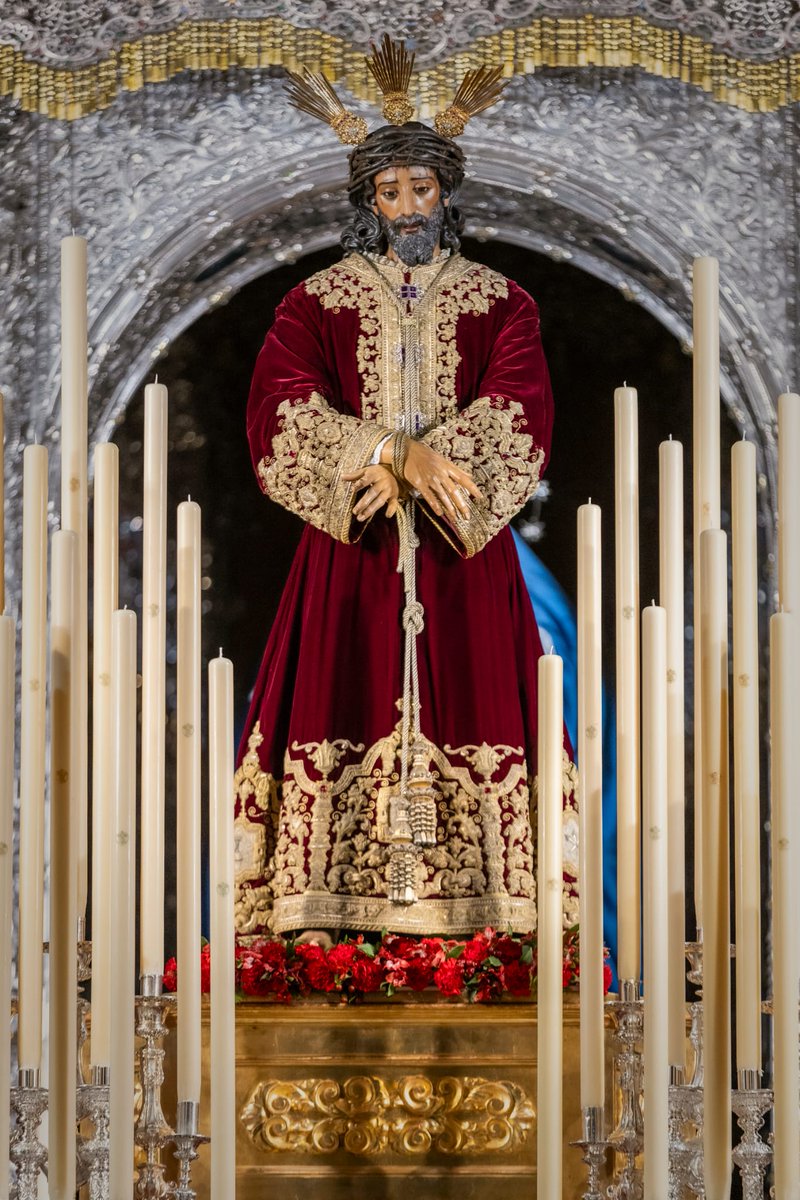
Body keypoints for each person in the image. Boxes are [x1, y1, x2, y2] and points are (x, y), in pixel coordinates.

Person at [233, 40, 578, 943]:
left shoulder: (505, 302)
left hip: (466, 557)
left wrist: (437, 472)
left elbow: (520, 407)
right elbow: (279, 407)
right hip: (353, 549)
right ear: (370, 203)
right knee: (337, 696)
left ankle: (491, 929)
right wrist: (391, 455)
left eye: (422, 190)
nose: (409, 208)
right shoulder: (316, 302)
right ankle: (322, 930)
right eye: (391, 193)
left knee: (483, 703)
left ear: (446, 192)